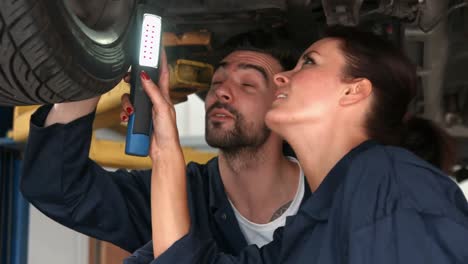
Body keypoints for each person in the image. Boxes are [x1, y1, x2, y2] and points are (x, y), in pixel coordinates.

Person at [129, 25, 468, 263]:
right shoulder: (308, 228)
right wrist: (164, 147)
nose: (281, 77)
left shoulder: (390, 183)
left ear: (353, 91)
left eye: (308, 62)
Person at [20, 47, 309, 258]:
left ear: (281, 104)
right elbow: (56, 187)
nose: (221, 92)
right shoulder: (177, 196)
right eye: (217, 83)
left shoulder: (330, 193)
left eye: (247, 84)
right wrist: (97, 71)